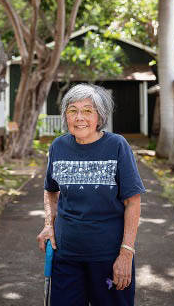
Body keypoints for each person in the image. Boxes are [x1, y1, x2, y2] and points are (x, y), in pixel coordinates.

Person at [36, 83, 146, 306]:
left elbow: (132, 201)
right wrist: (49, 224)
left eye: (88, 110)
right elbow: (51, 190)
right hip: (66, 256)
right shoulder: (58, 146)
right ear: (66, 115)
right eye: (72, 110)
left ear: (100, 116)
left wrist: (126, 253)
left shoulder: (117, 145)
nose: (79, 117)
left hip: (109, 257)